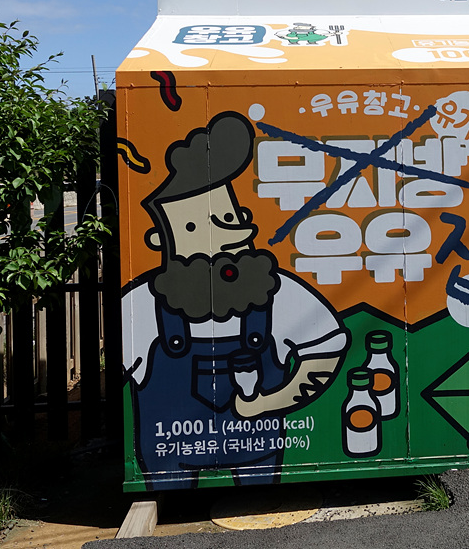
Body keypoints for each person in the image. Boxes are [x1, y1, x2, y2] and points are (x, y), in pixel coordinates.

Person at [122, 111, 348, 487]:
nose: (225, 232)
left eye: (228, 217)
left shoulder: (277, 290)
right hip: (169, 455)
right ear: (159, 240)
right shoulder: (142, 303)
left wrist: (270, 401)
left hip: (258, 448)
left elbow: (325, 350)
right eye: (193, 225)